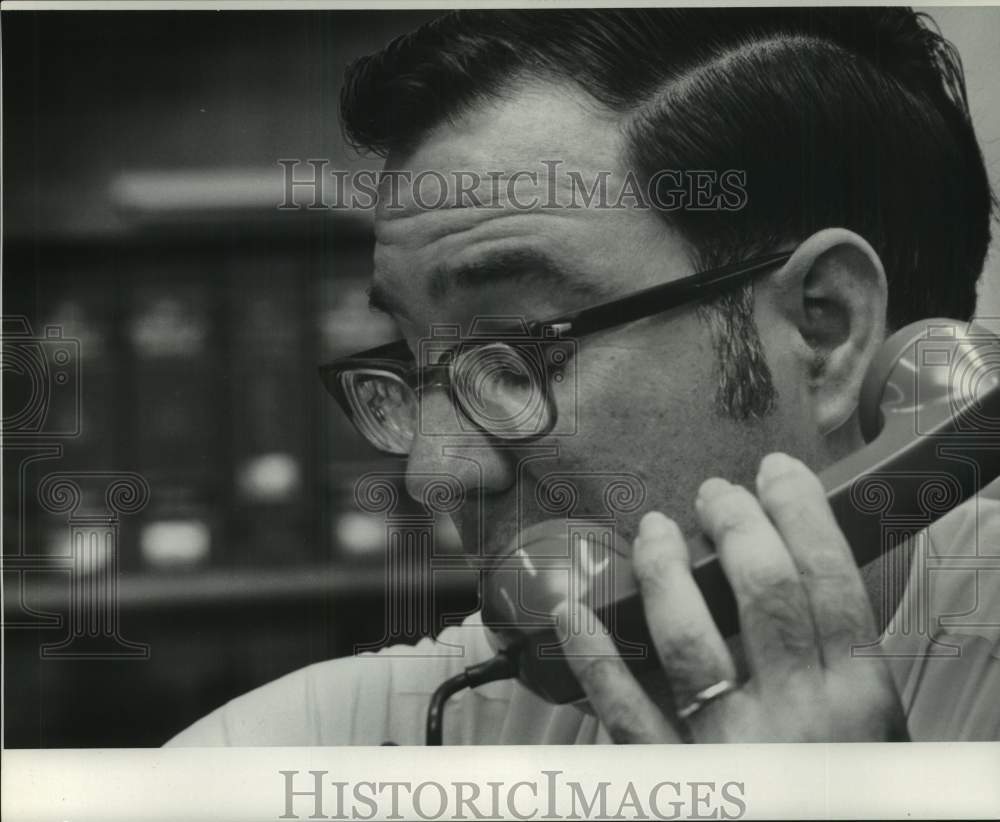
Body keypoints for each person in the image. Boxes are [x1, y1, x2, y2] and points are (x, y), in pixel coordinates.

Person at [167, 7, 999, 745]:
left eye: (518, 354)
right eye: (415, 367)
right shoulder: (350, 743)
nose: (434, 473)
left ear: (827, 329)